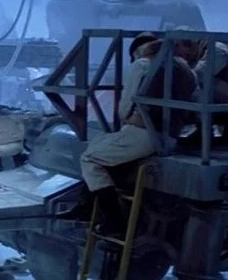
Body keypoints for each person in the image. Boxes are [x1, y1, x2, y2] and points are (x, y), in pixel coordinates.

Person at [58, 33, 197, 234]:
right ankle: (86, 204)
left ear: (139, 51)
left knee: (90, 158)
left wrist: (127, 118)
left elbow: (126, 105)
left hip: (144, 132)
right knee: (101, 146)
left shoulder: (142, 65)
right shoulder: (186, 70)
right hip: (169, 136)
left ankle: (114, 219)